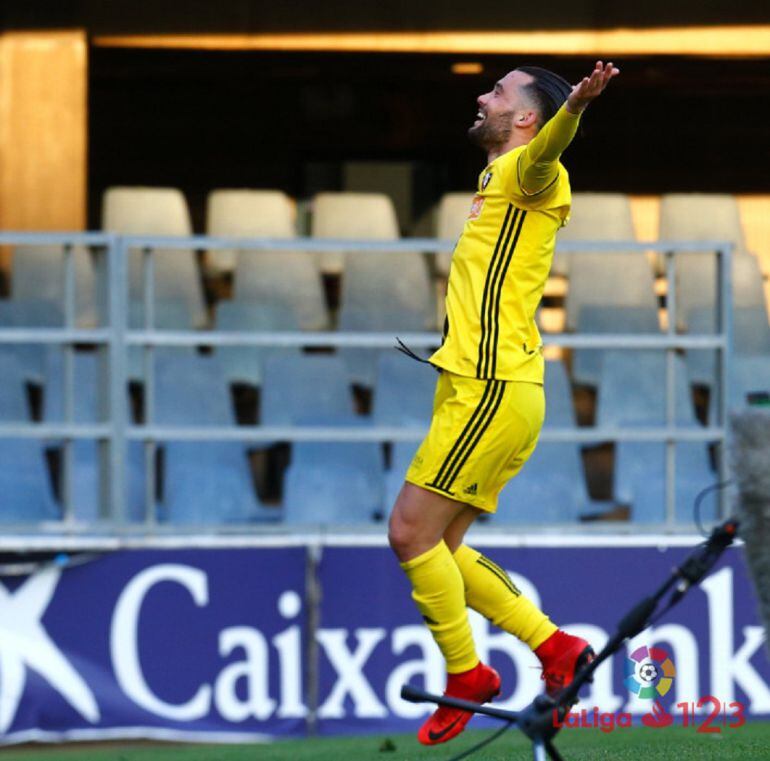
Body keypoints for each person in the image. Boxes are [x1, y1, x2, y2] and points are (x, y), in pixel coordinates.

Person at [388, 60, 620, 745]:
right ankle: (555, 648)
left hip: (492, 388)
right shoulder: (495, 183)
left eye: (497, 92)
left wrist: (573, 108)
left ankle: (467, 673)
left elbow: (550, 148)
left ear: (525, 118)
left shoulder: (529, 167)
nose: (481, 96)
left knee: (408, 533)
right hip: (483, 385)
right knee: (440, 545)